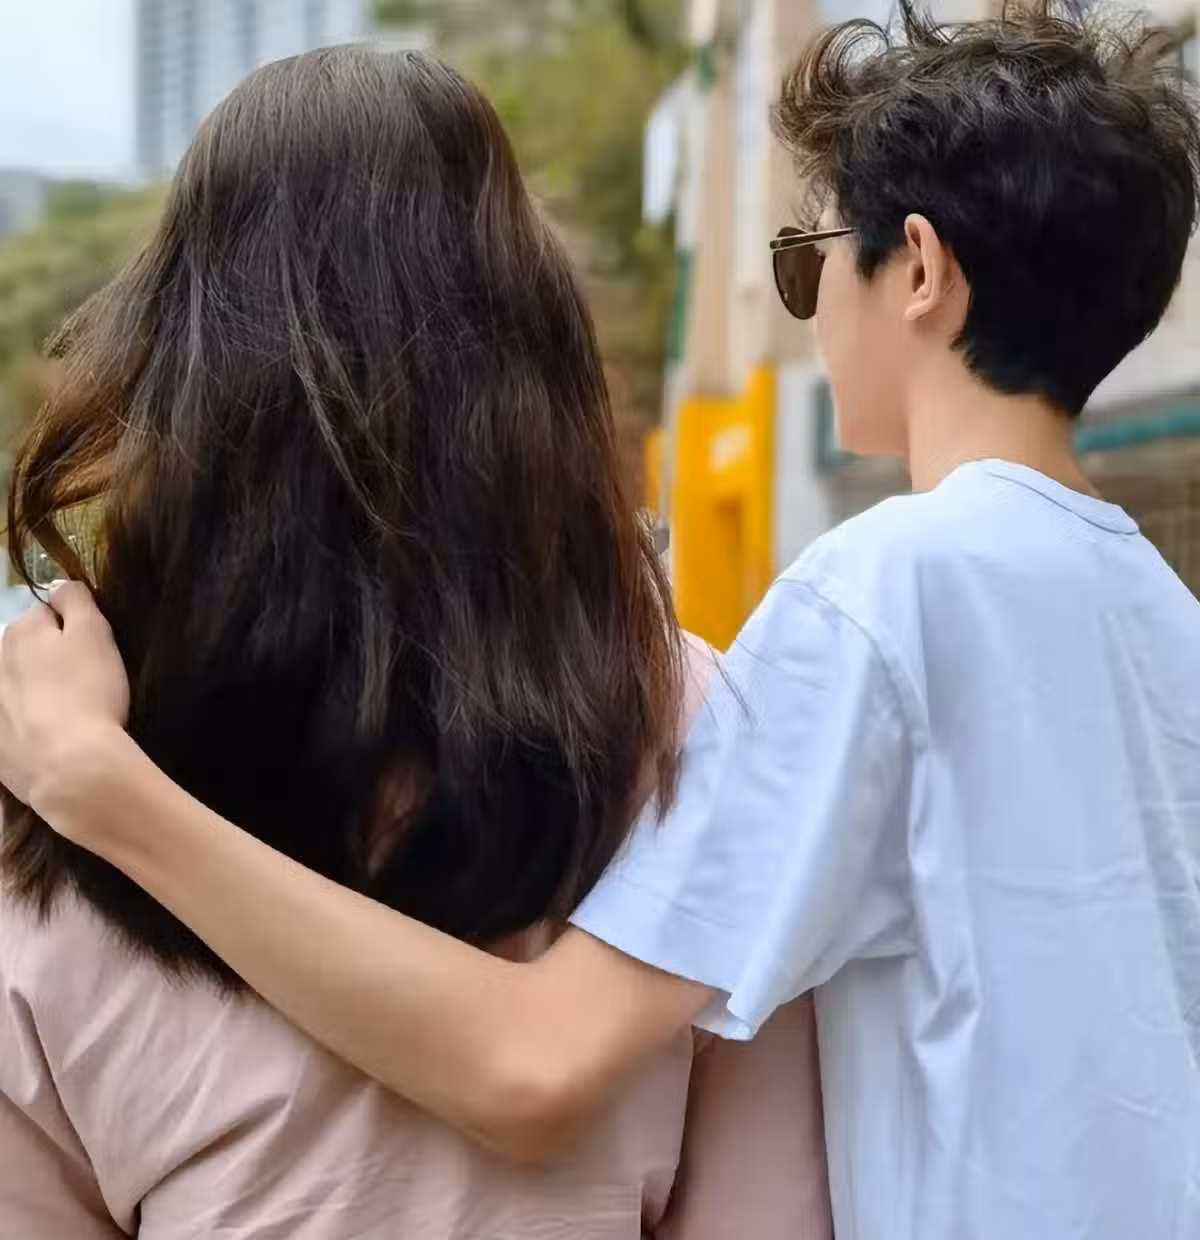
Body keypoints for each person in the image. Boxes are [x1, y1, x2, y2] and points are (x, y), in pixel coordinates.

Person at [3, 0, 1200, 1236]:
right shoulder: (1168, 622)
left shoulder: (876, 598)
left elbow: (532, 1065)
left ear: (920, 271)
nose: (802, 301)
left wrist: (102, 787)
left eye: (805, 262)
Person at [0, 46, 833, 1240]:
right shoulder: (690, 726)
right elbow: (765, 1210)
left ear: (178, 372)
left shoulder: (54, 761)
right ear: (537, 366)